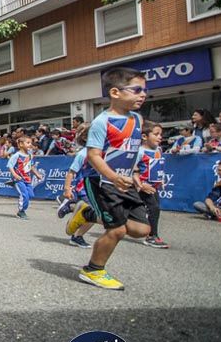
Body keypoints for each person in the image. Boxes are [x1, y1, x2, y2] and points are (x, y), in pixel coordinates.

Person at [66, 67, 150, 290]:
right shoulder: (101, 122)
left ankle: (89, 213)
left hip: (124, 183)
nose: (143, 94)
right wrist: (113, 176)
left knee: (142, 230)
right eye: (136, 89)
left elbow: (130, 151)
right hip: (101, 182)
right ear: (115, 92)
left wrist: (134, 176)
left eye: (144, 90)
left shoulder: (138, 119)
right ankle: (94, 270)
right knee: (118, 230)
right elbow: (93, 156)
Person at [57, 126, 96, 248]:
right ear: (86, 138)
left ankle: (70, 206)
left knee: (94, 212)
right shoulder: (83, 154)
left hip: (98, 189)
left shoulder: (102, 153)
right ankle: (77, 236)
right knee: (94, 212)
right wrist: (67, 188)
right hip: (84, 188)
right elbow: (71, 172)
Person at [134, 120, 169, 248]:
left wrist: (162, 179)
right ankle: (151, 236)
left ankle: (149, 233)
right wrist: (140, 185)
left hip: (154, 186)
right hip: (143, 187)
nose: (160, 137)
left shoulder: (159, 150)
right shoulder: (139, 152)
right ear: (144, 136)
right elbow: (133, 170)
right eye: (156, 134)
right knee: (153, 208)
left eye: (161, 134)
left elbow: (159, 167)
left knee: (154, 209)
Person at [7, 135, 44, 220]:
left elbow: (31, 167)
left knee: (30, 195)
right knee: (24, 195)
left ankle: (22, 209)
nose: (30, 144)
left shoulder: (30, 156)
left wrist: (37, 174)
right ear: (20, 144)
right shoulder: (17, 155)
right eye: (28, 143)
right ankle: (21, 211)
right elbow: (10, 166)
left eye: (30, 143)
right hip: (18, 179)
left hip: (27, 179)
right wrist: (15, 175)